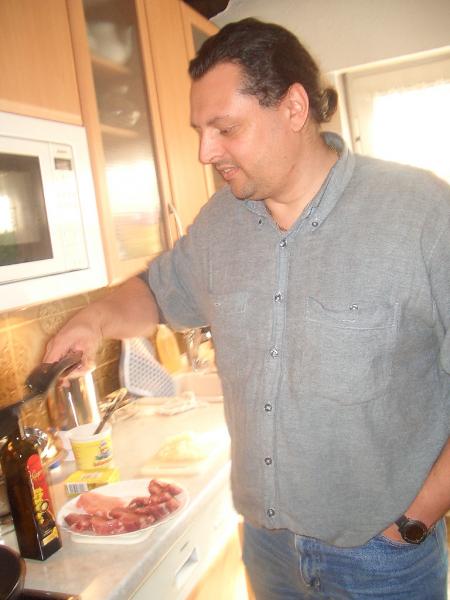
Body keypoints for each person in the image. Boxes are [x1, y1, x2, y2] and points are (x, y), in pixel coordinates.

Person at [44, 18, 450, 599]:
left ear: (294, 108)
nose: (205, 152)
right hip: (266, 546)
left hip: (379, 557)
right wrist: (95, 319)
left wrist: (414, 520)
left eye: (225, 128)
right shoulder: (220, 223)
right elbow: (157, 291)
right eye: (200, 131)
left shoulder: (422, 213)